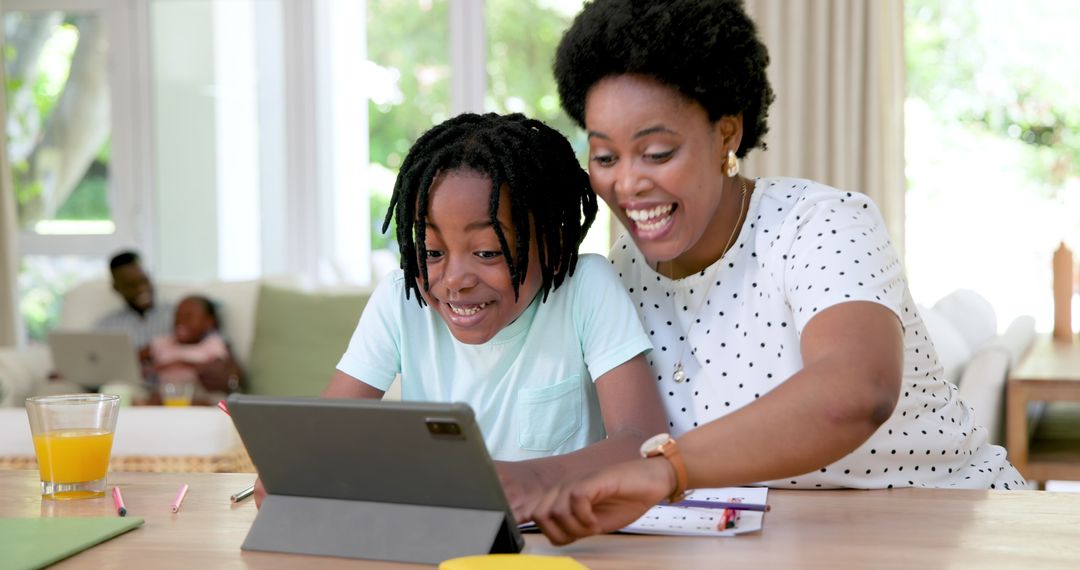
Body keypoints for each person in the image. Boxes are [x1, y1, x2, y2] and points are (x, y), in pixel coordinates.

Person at [532, 0, 1026, 545]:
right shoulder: (623, 270)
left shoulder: (821, 224)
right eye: (605, 158)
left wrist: (668, 468)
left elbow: (856, 392)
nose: (627, 184)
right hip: (780, 547)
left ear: (727, 134)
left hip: (958, 533)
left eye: (656, 152)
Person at [253, 112, 667, 520]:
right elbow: (323, 434)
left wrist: (531, 479)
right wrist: (289, 471)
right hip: (437, 539)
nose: (453, 281)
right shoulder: (401, 301)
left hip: (556, 543)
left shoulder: (586, 288)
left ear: (553, 244)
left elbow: (644, 441)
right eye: (432, 253)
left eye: (487, 252)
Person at [149, 294, 243, 400]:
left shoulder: (213, 343)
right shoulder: (163, 342)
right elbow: (132, 359)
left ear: (208, 322)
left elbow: (219, 368)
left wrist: (181, 363)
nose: (180, 321)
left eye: (188, 316)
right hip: (167, 394)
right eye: (177, 316)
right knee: (153, 397)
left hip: (200, 395)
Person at [96, 251, 174, 367]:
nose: (141, 289)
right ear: (116, 288)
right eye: (131, 285)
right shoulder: (106, 326)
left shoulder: (177, 315)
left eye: (144, 280)